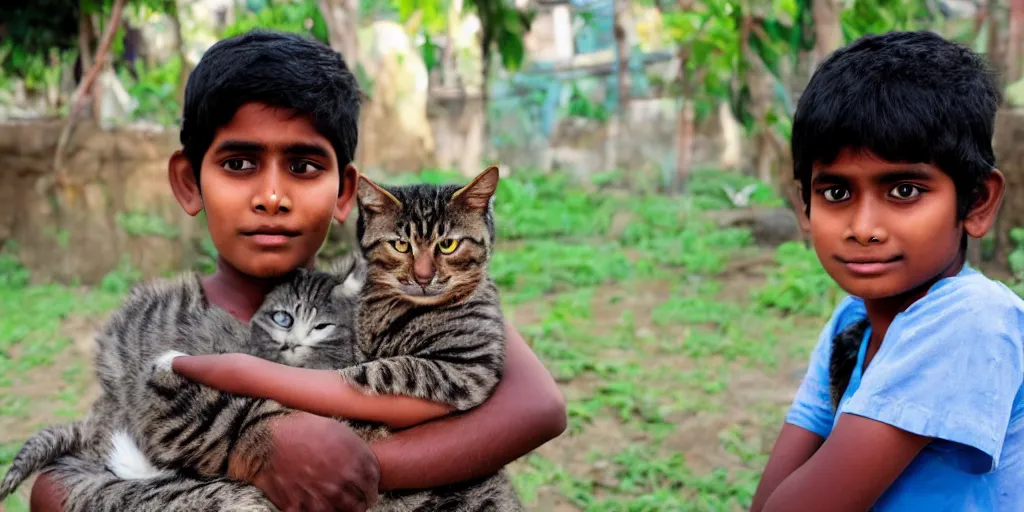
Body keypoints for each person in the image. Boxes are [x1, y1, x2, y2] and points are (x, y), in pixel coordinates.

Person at [31, 29, 566, 512]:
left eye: (303, 166)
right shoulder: (163, 331)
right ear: (190, 182)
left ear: (345, 193)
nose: (271, 196)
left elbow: (536, 406)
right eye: (238, 164)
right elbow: (64, 482)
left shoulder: (389, 290)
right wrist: (256, 459)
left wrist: (355, 467)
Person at [750, 31, 1022, 511]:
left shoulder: (972, 317)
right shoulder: (851, 322)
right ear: (805, 209)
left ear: (977, 201)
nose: (864, 228)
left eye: (904, 191)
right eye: (836, 193)